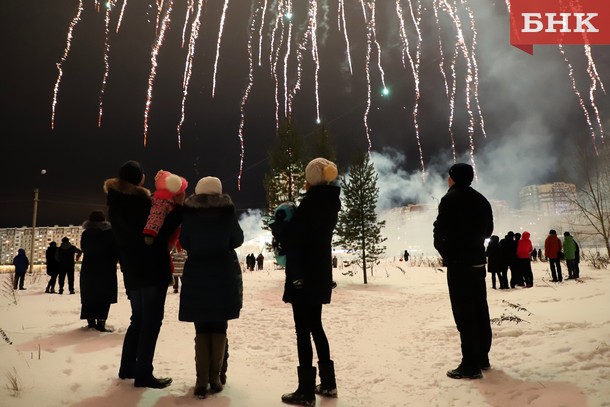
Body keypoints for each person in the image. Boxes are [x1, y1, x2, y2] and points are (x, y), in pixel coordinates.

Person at [104, 160, 183, 389]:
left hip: (132, 271)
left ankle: (128, 367)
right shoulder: (140, 202)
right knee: (151, 321)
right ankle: (143, 374)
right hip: (151, 269)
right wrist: (179, 209)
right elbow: (159, 230)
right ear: (139, 178)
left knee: (138, 319)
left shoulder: (115, 204)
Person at [281, 158, 341, 406]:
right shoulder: (330, 201)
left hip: (303, 275)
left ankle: (305, 391)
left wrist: (282, 229)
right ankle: (328, 383)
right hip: (320, 273)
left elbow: (297, 242)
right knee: (316, 326)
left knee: (303, 331)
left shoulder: (309, 204)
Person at [178, 176, 243, 399]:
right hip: (222, 274)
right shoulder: (226, 211)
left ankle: (200, 381)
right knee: (219, 327)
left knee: (201, 328)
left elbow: (184, 241)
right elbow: (237, 238)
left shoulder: (189, 212)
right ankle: (215, 379)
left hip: (197, 273)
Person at [433, 163, 493, 380]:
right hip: (477, 263)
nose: (447, 179)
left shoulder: (449, 199)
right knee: (480, 310)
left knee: (464, 313)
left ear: (454, 178)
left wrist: (447, 253)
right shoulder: (481, 199)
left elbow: (440, 231)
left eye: (449, 176)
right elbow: (488, 231)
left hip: (460, 265)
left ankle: (470, 364)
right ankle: (482, 358)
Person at [79, 210, 119, 332]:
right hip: (106, 268)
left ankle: (90, 321)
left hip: (89, 268)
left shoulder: (86, 233)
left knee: (89, 294)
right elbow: (115, 249)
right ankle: (101, 322)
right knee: (104, 295)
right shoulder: (110, 233)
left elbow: (84, 248)